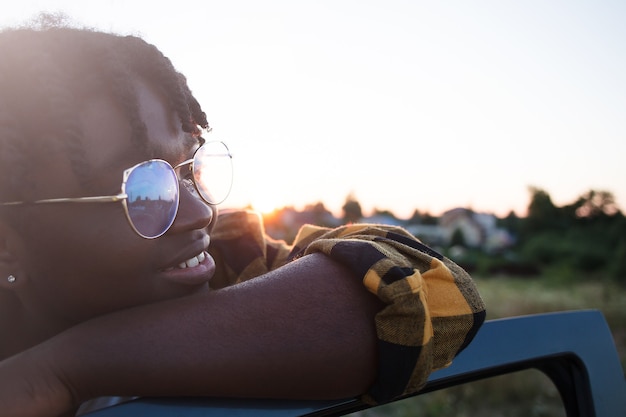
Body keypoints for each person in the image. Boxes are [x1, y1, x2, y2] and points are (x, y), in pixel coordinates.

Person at [0, 19, 485, 417]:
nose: (198, 214)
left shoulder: (233, 265)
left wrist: (63, 368)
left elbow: (438, 294)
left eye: (190, 170)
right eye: (143, 191)